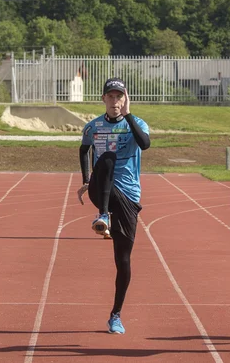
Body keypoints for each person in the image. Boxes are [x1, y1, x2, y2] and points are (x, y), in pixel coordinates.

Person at [77, 77, 150, 334]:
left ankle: (115, 314)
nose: (115, 101)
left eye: (119, 97)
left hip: (128, 195)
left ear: (125, 99)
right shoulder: (93, 126)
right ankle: (103, 215)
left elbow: (145, 144)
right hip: (101, 191)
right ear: (104, 99)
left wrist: (129, 116)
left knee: (124, 259)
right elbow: (83, 150)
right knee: (106, 158)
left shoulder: (136, 124)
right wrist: (86, 180)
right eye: (111, 96)